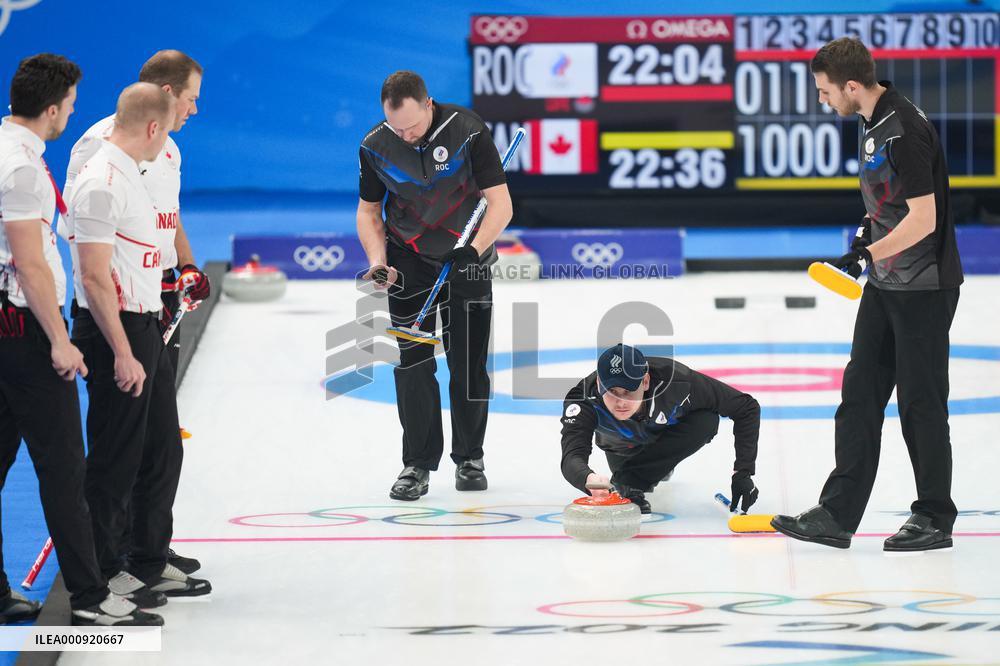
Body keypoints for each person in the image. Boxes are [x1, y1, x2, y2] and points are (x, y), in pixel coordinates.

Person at [771, 38, 963, 551]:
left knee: (921, 403)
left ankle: (934, 517)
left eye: (825, 91)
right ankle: (837, 514)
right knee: (859, 396)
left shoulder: (903, 130)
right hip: (887, 284)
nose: (823, 100)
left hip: (925, 287)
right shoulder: (872, 122)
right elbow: (890, 203)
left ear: (851, 86)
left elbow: (925, 220)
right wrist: (864, 237)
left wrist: (867, 255)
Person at [0, 54, 161, 626]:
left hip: (9, 327)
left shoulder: (8, 149)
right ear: (52, 108)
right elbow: (28, 265)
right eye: (69, 105)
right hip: (25, 332)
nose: (71, 113)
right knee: (65, 468)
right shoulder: (19, 167)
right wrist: (59, 341)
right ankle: (90, 600)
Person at [64, 49, 209, 578]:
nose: (195, 109)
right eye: (191, 98)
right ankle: (112, 557)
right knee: (123, 443)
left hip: (157, 299)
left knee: (161, 444)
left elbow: (165, 219)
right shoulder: (103, 152)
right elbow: (92, 248)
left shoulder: (166, 148)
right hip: (117, 309)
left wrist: (185, 266)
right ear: (166, 98)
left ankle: (148, 551)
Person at [356, 70, 512, 500]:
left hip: (469, 257)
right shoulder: (374, 145)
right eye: (395, 127)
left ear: (428, 104)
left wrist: (475, 250)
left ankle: (470, 457)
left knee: (467, 361)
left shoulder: (467, 130)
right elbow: (369, 211)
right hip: (407, 260)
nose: (404, 135)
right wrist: (378, 261)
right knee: (413, 363)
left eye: (412, 125)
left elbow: (501, 204)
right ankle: (417, 464)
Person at [560, 344, 761, 514]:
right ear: (598, 383)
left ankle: (640, 474)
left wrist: (743, 472)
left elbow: (746, 407)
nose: (621, 401)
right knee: (626, 479)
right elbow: (571, 457)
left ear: (645, 381)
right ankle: (633, 477)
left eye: (629, 390)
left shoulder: (677, 382)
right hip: (622, 450)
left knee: (706, 420)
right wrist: (588, 478)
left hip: (662, 439)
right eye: (612, 392)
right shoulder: (582, 400)